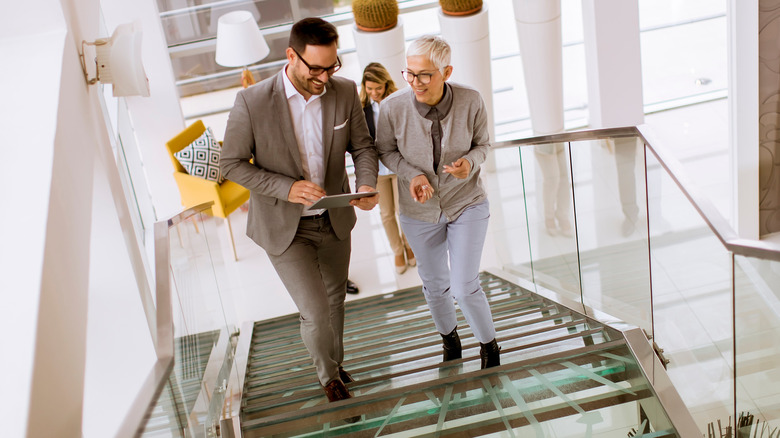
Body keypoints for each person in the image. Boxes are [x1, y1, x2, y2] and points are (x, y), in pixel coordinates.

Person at [220, 17, 379, 408]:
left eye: (332, 66)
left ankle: (336, 366)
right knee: (315, 310)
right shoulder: (252, 101)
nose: (324, 77)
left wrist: (364, 184)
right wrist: (287, 188)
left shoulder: (343, 92)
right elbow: (232, 164)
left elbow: (362, 148)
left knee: (336, 300)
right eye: (316, 68)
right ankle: (328, 378)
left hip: (335, 217)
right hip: (284, 227)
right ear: (291, 56)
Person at [375, 35, 501, 369]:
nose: (415, 82)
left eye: (425, 75)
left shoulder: (471, 100)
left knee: (463, 285)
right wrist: (411, 175)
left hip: (467, 203)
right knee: (434, 286)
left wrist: (470, 164)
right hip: (418, 212)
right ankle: (451, 342)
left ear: (446, 71)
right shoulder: (392, 108)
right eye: (409, 74)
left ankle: (490, 348)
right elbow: (385, 151)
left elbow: (483, 144)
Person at [360, 62, 416, 274]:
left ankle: (409, 245)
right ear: (364, 86)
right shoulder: (361, 109)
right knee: (386, 214)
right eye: (369, 88)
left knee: (404, 211)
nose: (374, 93)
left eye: (378, 88)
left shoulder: (398, 103)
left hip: (399, 165)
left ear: (386, 85)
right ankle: (397, 250)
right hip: (378, 170)